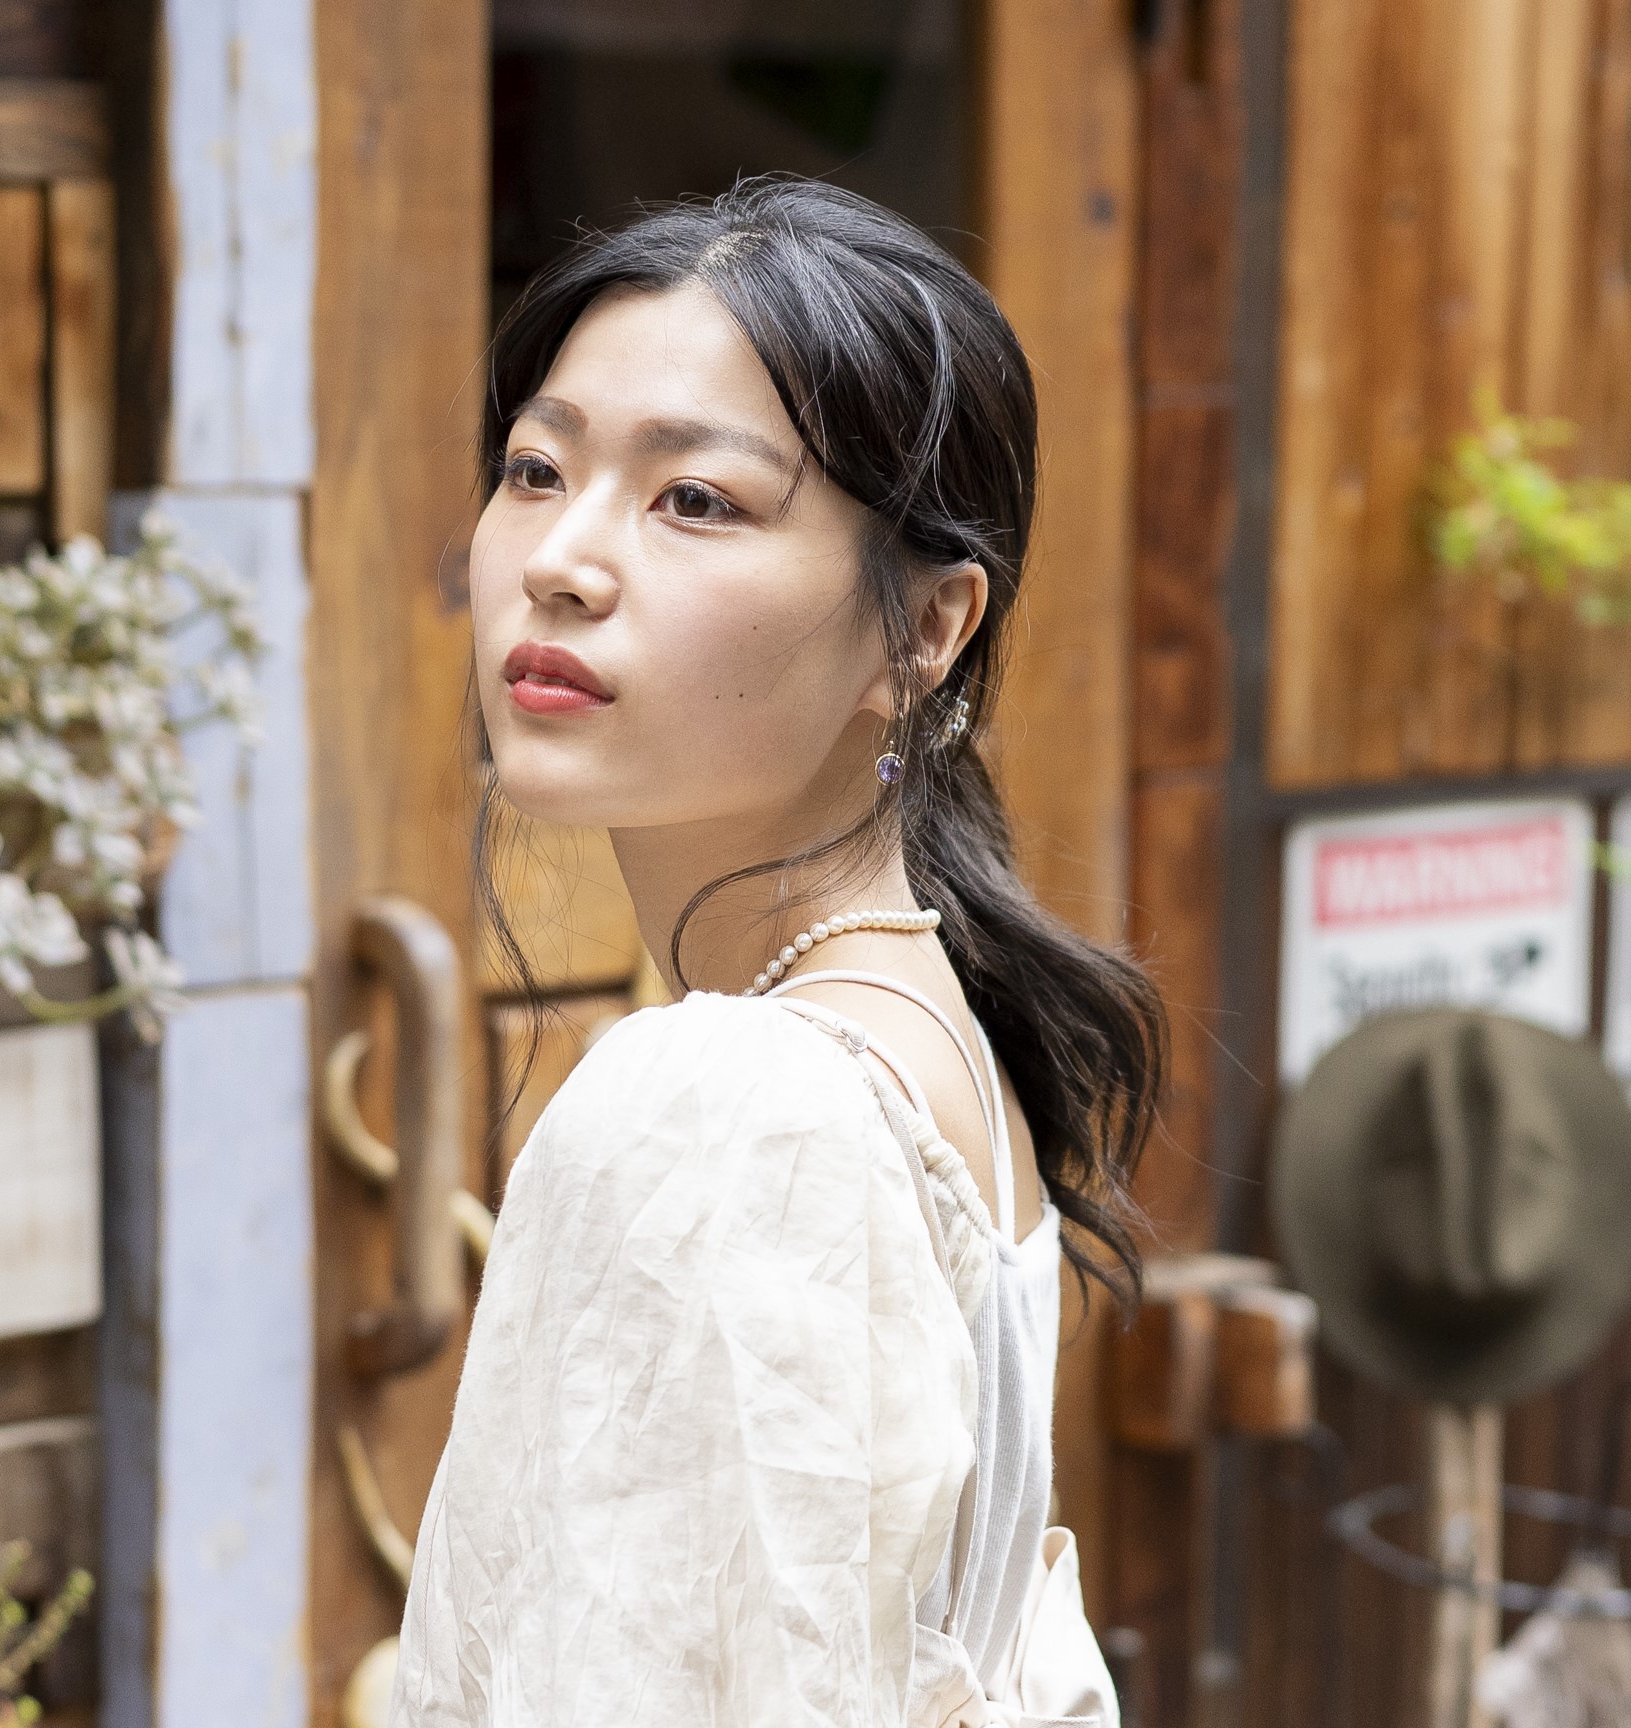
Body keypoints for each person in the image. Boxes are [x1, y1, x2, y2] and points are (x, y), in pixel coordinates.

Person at [388, 178, 1165, 1726]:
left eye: (695, 500)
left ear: (923, 631)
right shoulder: (926, 1032)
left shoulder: (735, 1104)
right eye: (536, 469)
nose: (562, 559)